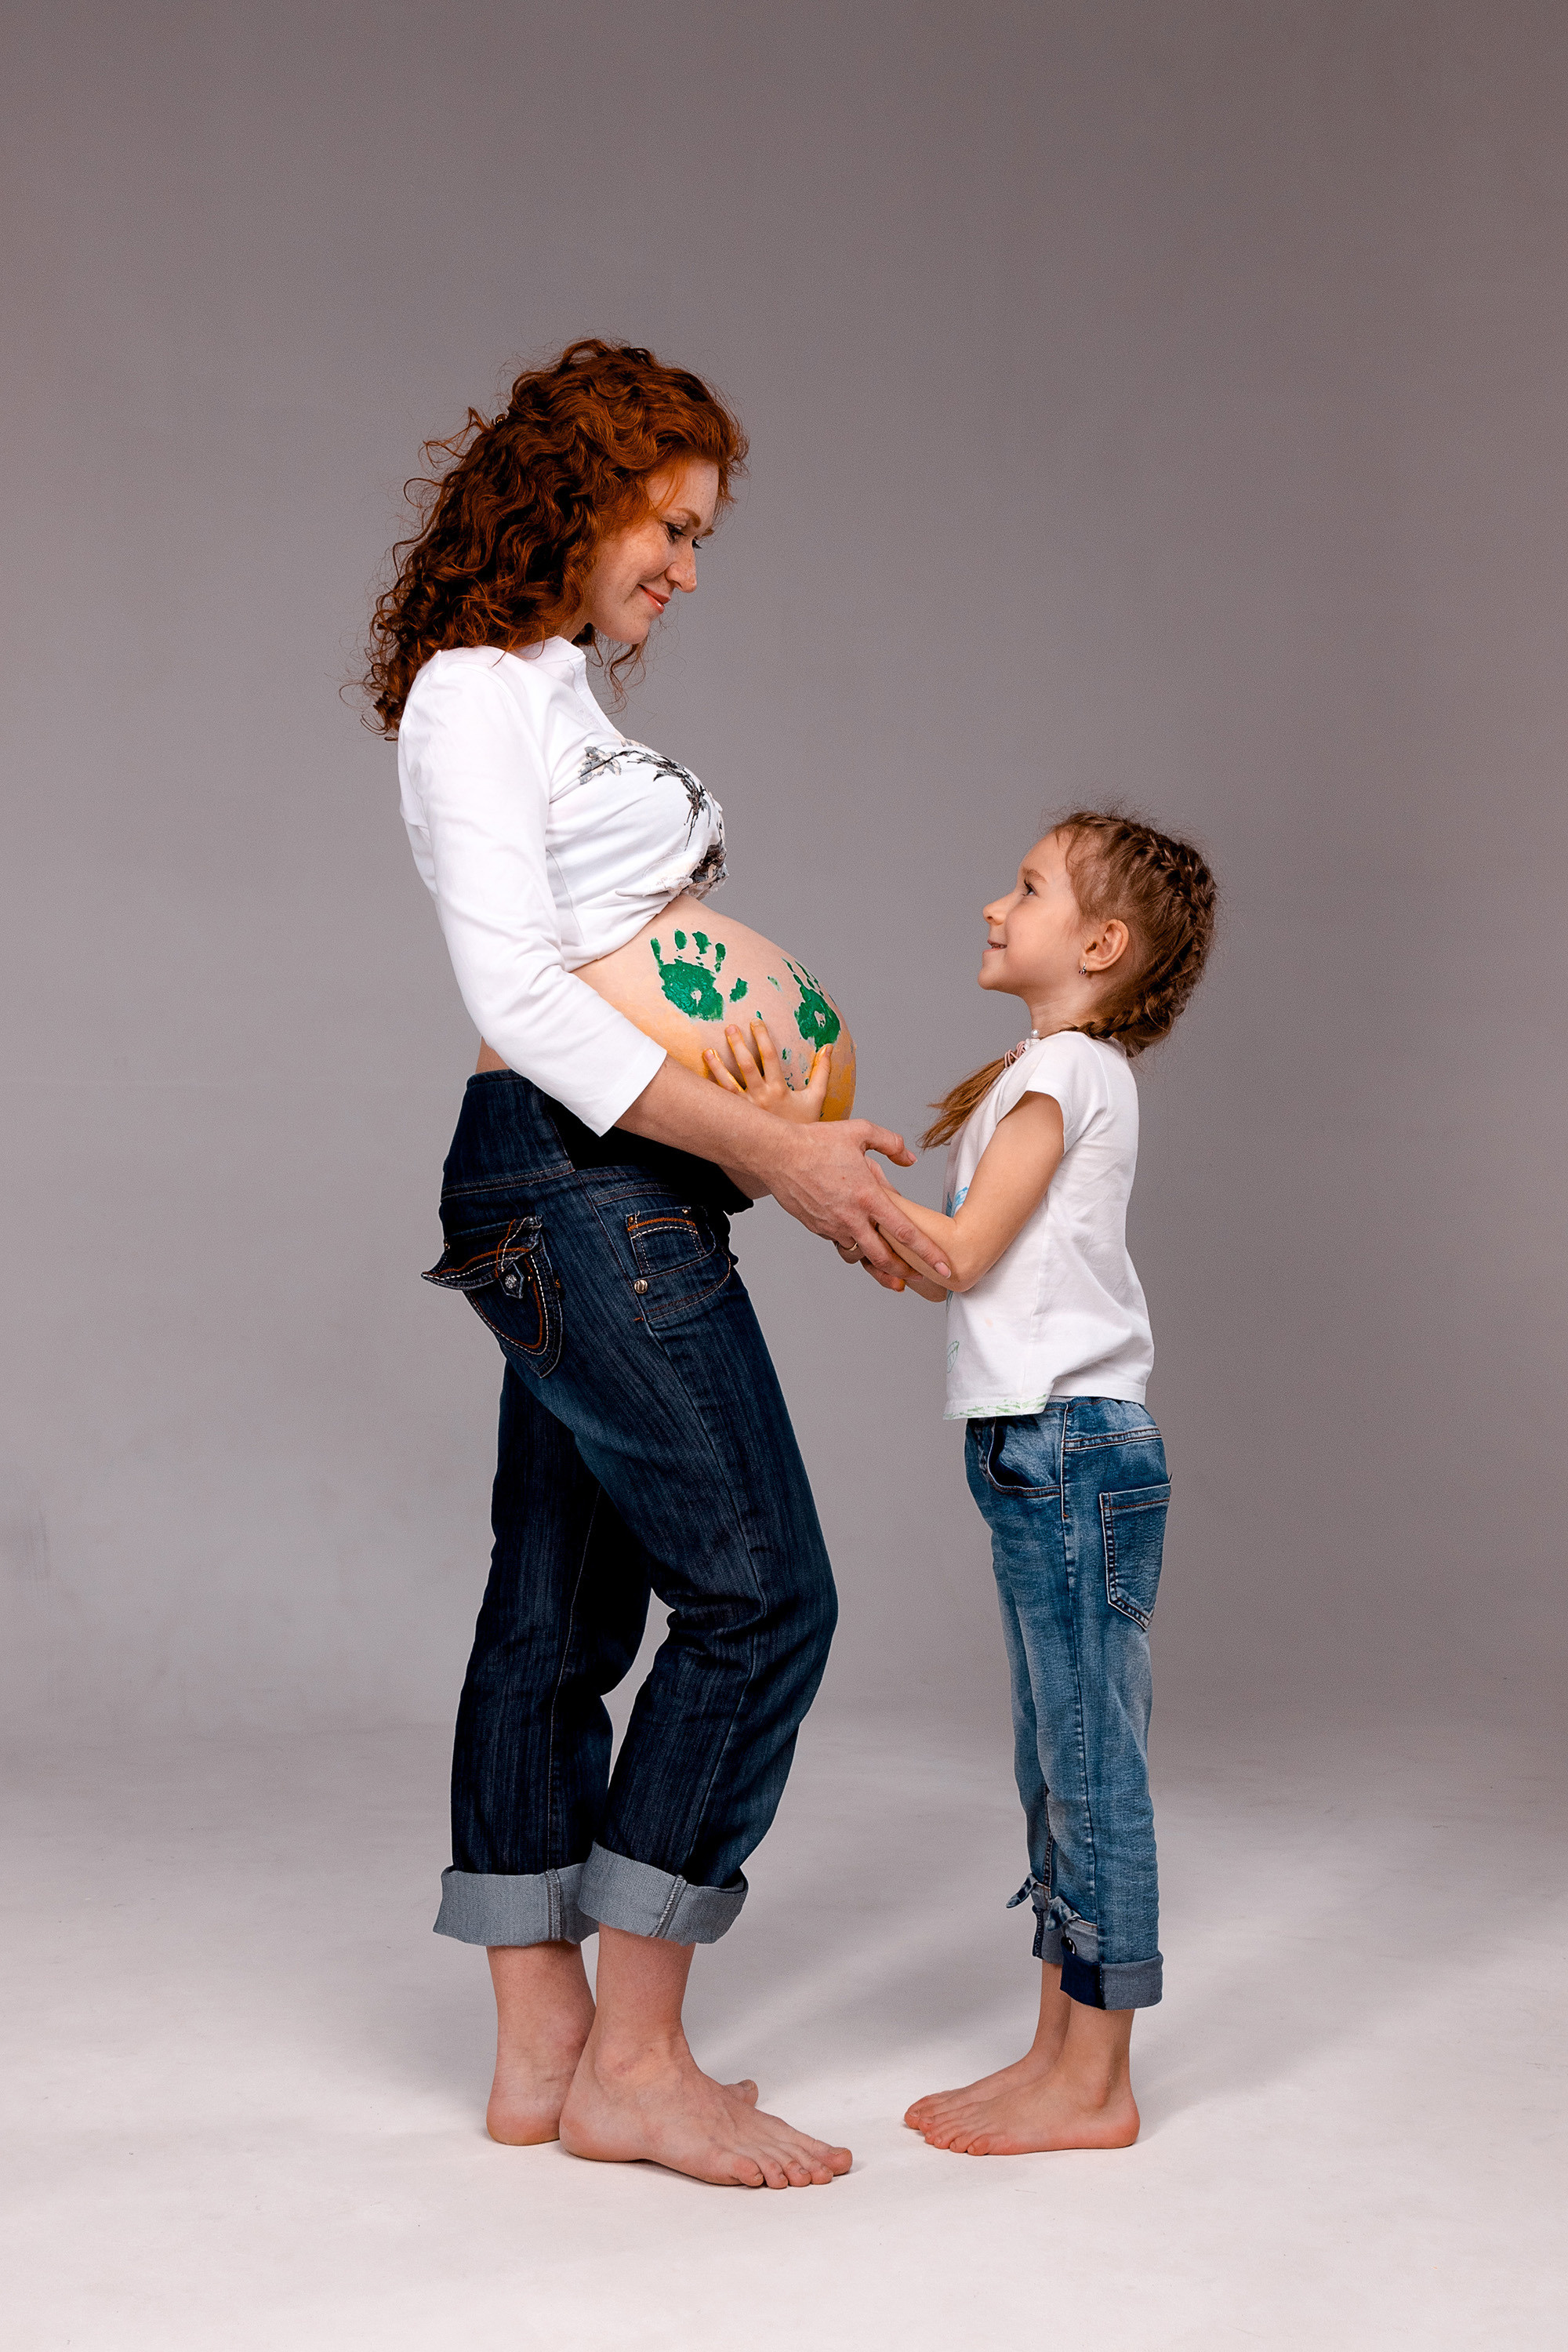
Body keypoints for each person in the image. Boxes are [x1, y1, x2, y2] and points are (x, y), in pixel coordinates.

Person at [365, 338, 949, 2190]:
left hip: (623, 1172)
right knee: (763, 1596)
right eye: (672, 525)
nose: (687, 569)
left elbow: (633, 954)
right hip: (575, 1175)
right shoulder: (478, 693)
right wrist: (773, 1138)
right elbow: (520, 991)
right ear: (580, 488)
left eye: (699, 536)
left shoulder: (558, 692)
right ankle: (640, 2056)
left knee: (555, 1608)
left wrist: (755, 1070)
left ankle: (544, 2055)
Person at [866, 813, 1215, 2152]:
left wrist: (809, 1161)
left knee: (1088, 1763)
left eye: (1026, 889)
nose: (994, 907)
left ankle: (1097, 2083)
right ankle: (1057, 2049)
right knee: (1053, 1759)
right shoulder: (1057, 1067)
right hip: (1044, 1446)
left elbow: (957, 1259)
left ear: (1102, 945)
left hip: (1068, 1448)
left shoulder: (1065, 1069)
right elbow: (964, 1263)